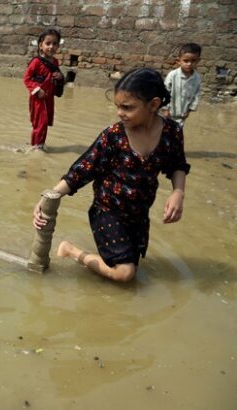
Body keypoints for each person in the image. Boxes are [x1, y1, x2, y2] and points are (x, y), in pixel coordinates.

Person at [33, 68, 190, 283]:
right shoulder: (114, 136)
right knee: (125, 273)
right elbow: (82, 170)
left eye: (127, 107)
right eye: (118, 106)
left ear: (153, 105)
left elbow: (178, 164)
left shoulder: (172, 132)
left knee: (131, 269)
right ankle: (71, 251)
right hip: (107, 211)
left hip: (139, 214)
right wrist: (49, 196)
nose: (119, 113)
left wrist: (178, 192)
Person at [23, 29, 65, 150]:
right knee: (40, 123)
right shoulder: (36, 62)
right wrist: (36, 89)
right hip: (38, 98)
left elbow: (56, 77)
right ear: (41, 45)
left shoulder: (55, 62)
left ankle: (40, 146)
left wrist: (60, 77)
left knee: (45, 123)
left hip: (49, 98)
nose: (51, 47)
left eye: (55, 44)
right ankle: (35, 148)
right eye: (48, 43)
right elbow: (26, 78)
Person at [162, 43, 202, 127]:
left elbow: (197, 95)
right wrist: (165, 109)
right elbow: (165, 92)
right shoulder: (173, 75)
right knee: (165, 131)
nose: (189, 64)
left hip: (183, 113)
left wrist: (190, 109)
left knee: (178, 131)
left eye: (193, 61)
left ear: (198, 61)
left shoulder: (197, 78)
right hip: (170, 112)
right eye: (186, 61)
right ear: (179, 61)